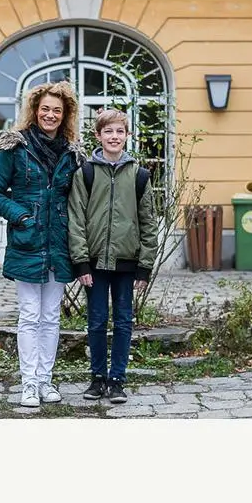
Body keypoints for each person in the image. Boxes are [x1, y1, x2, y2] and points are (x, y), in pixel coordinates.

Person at [0, 81, 84, 408]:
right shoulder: (15, 148)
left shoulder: (72, 152)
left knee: (52, 316)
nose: (50, 115)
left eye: (57, 110)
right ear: (34, 110)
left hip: (59, 241)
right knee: (29, 315)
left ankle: (46, 380)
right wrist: (22, 216)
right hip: (28, 241)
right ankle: (28, 384)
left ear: (65, 114)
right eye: (45, 109)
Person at [68, 109, 159, 404]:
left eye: (119, 132)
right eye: (108, 132)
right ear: (98, 136)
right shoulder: (86, 173)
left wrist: (144, 266)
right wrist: (81, 261)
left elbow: (148, 222)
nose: (114, 137)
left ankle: (117, 379)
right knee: (96, 322)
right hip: (94, 263)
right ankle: (97, 378)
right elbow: (76, 219)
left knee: (122, 321)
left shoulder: (140, 175)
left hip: (126, 262)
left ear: (127, 135)